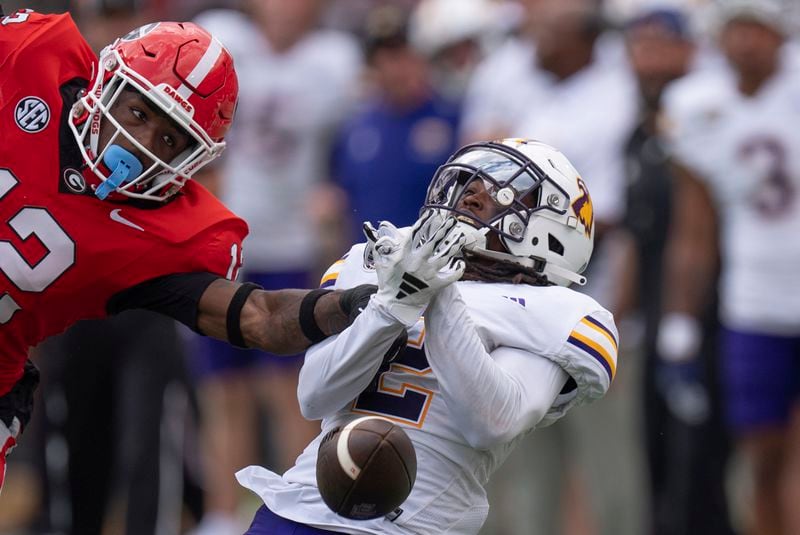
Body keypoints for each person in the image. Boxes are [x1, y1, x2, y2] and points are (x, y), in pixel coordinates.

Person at [0, 7, 386, 496]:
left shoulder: (158, 235)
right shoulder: (27, 58)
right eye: (137, 113)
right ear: (105, 84)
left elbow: (259, 317)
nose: (139, 144)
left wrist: (356, 304)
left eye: (169, 139)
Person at [236, 138, 619, 534]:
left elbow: (492, 422)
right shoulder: (383, 264)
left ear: (553, 232)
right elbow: (315, 398)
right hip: (298, 512)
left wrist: (439, 293)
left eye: (502, 195)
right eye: (468, 185)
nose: (470, 197)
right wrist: (391, 307)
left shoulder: (551, 311)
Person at [186, 3, 362, 532]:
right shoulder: (225, 37)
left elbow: (350, 147)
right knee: (222, 392)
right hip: (226, 242)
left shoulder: (334, 59)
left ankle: (304, 507)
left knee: (291, 392)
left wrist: (335, 209)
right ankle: (221, 516)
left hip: (293, 246)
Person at [660, 2, 800, 534]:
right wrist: (680, 320)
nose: (745, 42)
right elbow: (694, 231)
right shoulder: (698, 105)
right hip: (754, 303)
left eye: (756, 27)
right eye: (735, 28)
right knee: (760, 457)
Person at [621, 7, 734, 535]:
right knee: (658, 460)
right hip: (655, 318)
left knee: (706, 466)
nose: (647, 56)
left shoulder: (713, 123)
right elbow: (634, 240)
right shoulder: (638, 135)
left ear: (690, 49)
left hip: (711, 318)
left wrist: (685, 320)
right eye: (637, 44)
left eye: (659, 43)